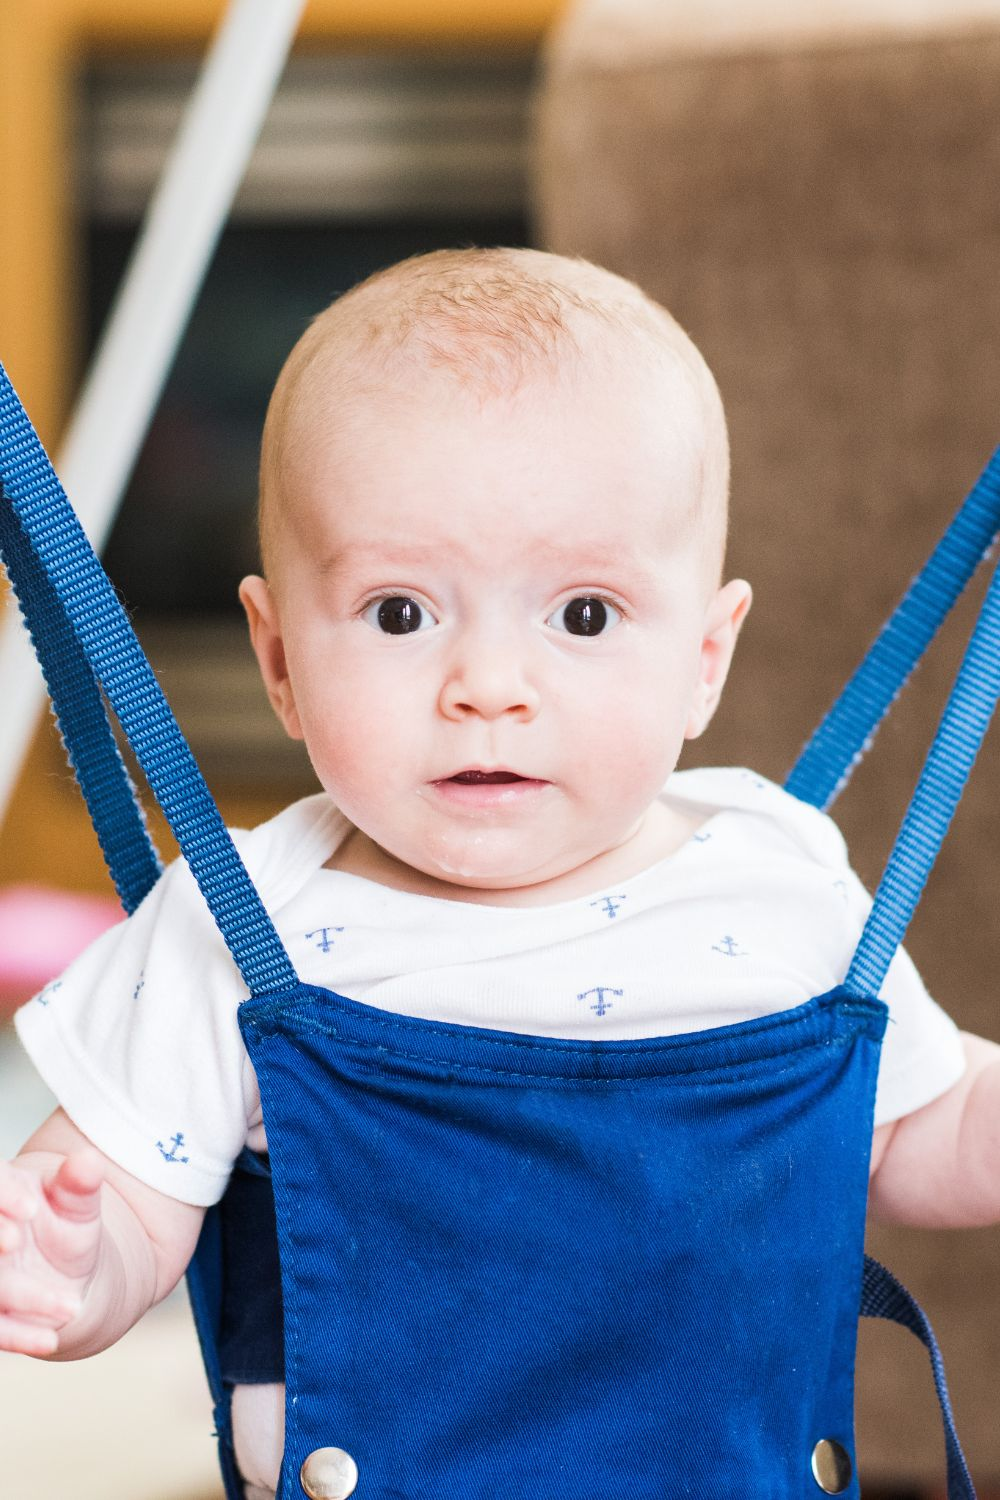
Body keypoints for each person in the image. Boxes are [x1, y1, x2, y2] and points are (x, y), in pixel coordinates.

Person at [1, 247, 998, 1498]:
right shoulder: (242, 918)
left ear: (704, 658)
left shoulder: (773, 881)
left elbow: (917, 1126)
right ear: (278, 658)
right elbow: (134, 1207)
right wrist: (67, 1267)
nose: (486, 688)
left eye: (581, 616)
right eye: (399, 613)